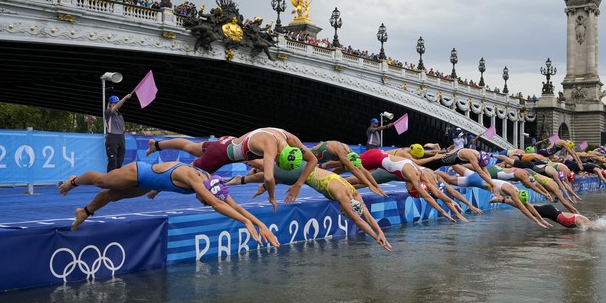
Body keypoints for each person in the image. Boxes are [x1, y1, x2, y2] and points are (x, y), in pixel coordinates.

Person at [57, 161, 279, 247]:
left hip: (151, 182)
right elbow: (216, 205)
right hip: (139, 171)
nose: (202, 203)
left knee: (113, 196)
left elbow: (234, 205)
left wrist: (260, 224)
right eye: (203, 201)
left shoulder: (213, 182)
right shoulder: (197, 181)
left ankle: (84, 212)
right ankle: (74, 181)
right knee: (102, 181)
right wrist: (245, 224)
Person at [230, 161, 392, 252]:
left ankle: (244, 179)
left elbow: (367, 216)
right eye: (345, 213)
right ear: (345, 208)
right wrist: (376, 237)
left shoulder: (354, 195)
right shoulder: (342, 196)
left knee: (276, 177)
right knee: (268, 169)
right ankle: (235, 153)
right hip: (301, 173)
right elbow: (359, 221)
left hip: (304, 170)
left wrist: (380, 233)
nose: (344, 213)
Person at [146, 128, 317, 211]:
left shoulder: (289, 138)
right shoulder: (271, 149)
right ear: (280, 155)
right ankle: (156, 187)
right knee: (190, 177)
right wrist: (272, 197)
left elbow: (313, 159)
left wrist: (298, 185)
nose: (275, 163)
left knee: (192, 147)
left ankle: (157, 145)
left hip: (227, 141)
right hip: (221, 155)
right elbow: (269, 178)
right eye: (278, 163)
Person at [491, 196, 593, 229]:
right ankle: (501, 199)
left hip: (552, 211)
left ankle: (503, 199)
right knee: (525, 207)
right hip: (550, 212)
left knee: (526, 207)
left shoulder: (582, 220)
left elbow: (574, 211)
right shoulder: (583, 221)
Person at [104, 93, 133, 172]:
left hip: (121, 138)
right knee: (113, 160)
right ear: (110, 104)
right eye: (115, 103)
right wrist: (125, 98)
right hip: (112, 138)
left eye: (117, 102)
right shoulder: (108, 113)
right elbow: (117, 107)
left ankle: (117, 180)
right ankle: (109, 180)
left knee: (120, 161)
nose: (116, 104)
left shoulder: (120, 115)